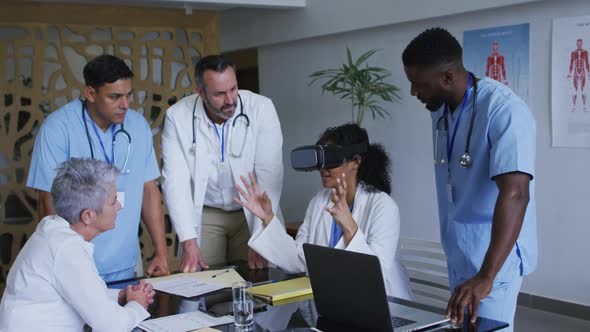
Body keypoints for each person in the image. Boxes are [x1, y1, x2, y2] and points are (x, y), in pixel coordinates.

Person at [402, 28, 537, 330]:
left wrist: (486, 276)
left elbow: (516, 194)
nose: (414, 92)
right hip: (459, 253)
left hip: (494, 262)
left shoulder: (505, 110)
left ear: (447, 78)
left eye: (418, 84)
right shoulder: (440, 110)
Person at [26, 54, 170, 282]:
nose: (125, 105)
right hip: (75, 264)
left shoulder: (138, 126)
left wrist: (161, 251)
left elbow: (149, 190)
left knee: (127, 316)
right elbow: (47, 202)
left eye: (128, 95)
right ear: (90, 93)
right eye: (115, 97)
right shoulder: (58, 128)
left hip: (125, 260)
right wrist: (63, 263)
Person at [234, 123, 414, 300]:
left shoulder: (383, 206)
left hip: (382, 303)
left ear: (356, 161)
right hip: (335, 300)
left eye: (331, 160)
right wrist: (268, 218)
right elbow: (300, 259)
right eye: (321, 161)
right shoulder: (319, 201)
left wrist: (349, 226)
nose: (323, 168)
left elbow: (377, 273)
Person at [0, 158, 155, 331]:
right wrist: (137, 305)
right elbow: (111, 325)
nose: (119, 206)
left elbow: (81, 292)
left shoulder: (53, 228)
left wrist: (121, 296)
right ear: (88, 216)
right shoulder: (66, 248)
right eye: (113, 201)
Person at [161, 55, 283, 272]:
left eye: (233, 89)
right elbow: (175, 183)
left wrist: (262, 233)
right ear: (200, 92)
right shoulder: (177, 117)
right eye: (219, 94)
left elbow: (269, 175)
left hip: (252, 210)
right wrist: (188, 240)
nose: (229, 100)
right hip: (207, 213)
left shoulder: (261, 108)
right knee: (203, 283)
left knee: (258, 280)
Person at [567, 38, 590, 112]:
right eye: (578, 43)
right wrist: (569, 73)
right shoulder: (573, 53)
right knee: (574, 90)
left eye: (580, 43)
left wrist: (589, 72)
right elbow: (571, 63)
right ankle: (573, 107)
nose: (579, 44)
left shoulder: (585, 52)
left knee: (584, 90)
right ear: (576, 44)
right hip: (576, 72)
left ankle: (584, 107)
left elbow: (587, 63)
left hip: (583, 72)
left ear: (582, 43)